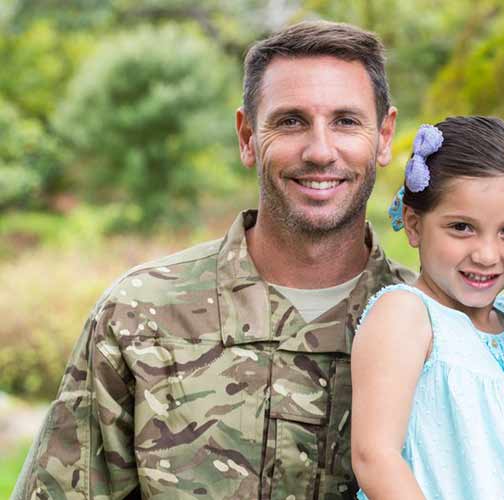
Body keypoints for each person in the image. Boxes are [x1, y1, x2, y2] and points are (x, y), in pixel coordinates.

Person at [13, 21, 414, 500]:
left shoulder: (433, 329)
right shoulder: (141, 317)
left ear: (385, 136)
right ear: (247, 137)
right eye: (290, 121)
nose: (320, 150)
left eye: (346, 121)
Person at [350, 116, 504, 499]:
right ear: (414, 225)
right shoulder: (407, 315)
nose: (486, 255)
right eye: (462, 227)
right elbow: (375, 457)